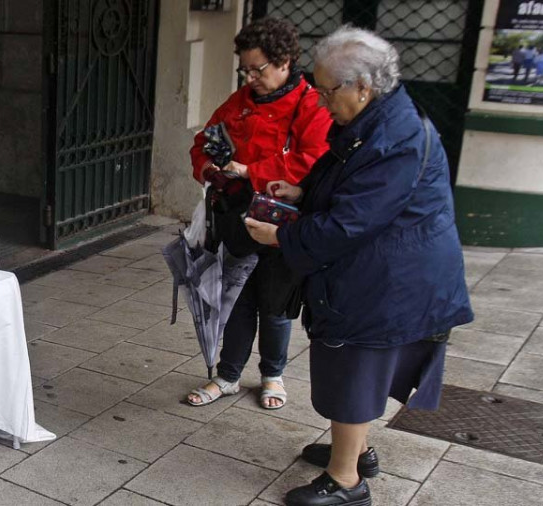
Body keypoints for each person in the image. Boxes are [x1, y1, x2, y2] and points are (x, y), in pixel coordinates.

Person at [243, 27, 473, 506]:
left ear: (361, 87)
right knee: (353, 367)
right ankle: (356, 450)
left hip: (390, 279)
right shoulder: (378, 121)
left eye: (327, 90)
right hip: (385, 271)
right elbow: (347, 187)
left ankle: (346, 481)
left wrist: (283, 235)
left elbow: (351, 221)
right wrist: (302, 194)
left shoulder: (396, 138)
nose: (321, 100)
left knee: (353, 366)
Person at [186, 18, 332, 409]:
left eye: (258, 69)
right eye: (245, 70)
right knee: (234, 299)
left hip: (282, 221)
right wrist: (208, 169)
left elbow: (312, 162)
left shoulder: (311, 104)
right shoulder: (241, 102)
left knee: (276, 304)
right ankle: (228, 375)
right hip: (236, 219)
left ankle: (273, 375)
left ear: (284, 62)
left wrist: (251, 171)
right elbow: (203, 142)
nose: (250, 78)